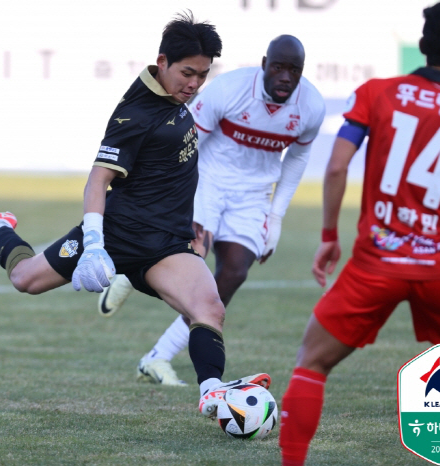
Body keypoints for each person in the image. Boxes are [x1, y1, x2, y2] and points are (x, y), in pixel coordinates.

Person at [0, 12, 270, 418]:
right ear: (162, 62)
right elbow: (97, 183)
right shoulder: (133, 116)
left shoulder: (178, 95)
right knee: (24, 280)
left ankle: (213, 394)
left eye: (202, 75)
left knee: (210, 307)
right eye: (188, 73)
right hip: (118, 233)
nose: (194, 84)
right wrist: (95, 245)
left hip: (166, 245)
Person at [277, 1, 440, 464]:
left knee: (312, 362)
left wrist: (330, 234)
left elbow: (336, 167)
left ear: (424, 44)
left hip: (376, 261)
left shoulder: (377, 92)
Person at [97, 35, 325, 386]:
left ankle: (157, 357)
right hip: (207, 182)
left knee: (232, 275)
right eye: (278, 67)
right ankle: (132, 269)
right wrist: (176, 194)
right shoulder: (229, 89)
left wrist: (276, 216)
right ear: (265, 64)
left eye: (294, 70)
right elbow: (187, 142)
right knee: (191, 264)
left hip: (253, 196)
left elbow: (298, 158)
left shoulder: (310, 106)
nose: (285, 77)